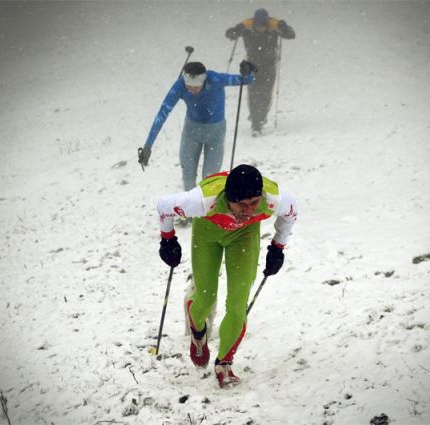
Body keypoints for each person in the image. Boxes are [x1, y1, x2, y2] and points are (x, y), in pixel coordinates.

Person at [156, 164, 298, 388]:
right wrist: (168, 239)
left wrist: (278, 247)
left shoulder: (273, 198)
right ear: (229, 199)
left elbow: (291, 213)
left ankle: (224, 364)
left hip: (244, 235)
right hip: (208, 232)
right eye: (242, 205)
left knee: (237, 304)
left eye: (254, 203)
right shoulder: (201, 201)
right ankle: (198, 330)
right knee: (205, 298)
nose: (250, 210)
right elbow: (163, 206)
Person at [138, 61, 257, 191]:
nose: (192, 90)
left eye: (196, 87)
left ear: (204, 80)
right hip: (192, 132)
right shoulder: (180, 85)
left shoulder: (215, 79)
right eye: (189, 86)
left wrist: (249, 71)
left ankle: (208, 209)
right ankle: (191, 208)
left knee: (210, 179)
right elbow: (162, 113)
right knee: (188, 177)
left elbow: (246, 80)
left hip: (215, 133)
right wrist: (148, 146)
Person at [225, 8, 295, 136]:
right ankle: (255, 122)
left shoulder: (273, 30)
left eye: (263, 25)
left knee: (265, 93)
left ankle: (261, 117)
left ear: (267, 24)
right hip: (252, 66)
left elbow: (291, 35)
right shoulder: (247, 30)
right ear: (254, 24)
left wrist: (284, 27)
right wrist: (236, 29)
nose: (260, 28)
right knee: (253, 93)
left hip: (269, 67)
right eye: (257, 25)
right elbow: (229, 34)